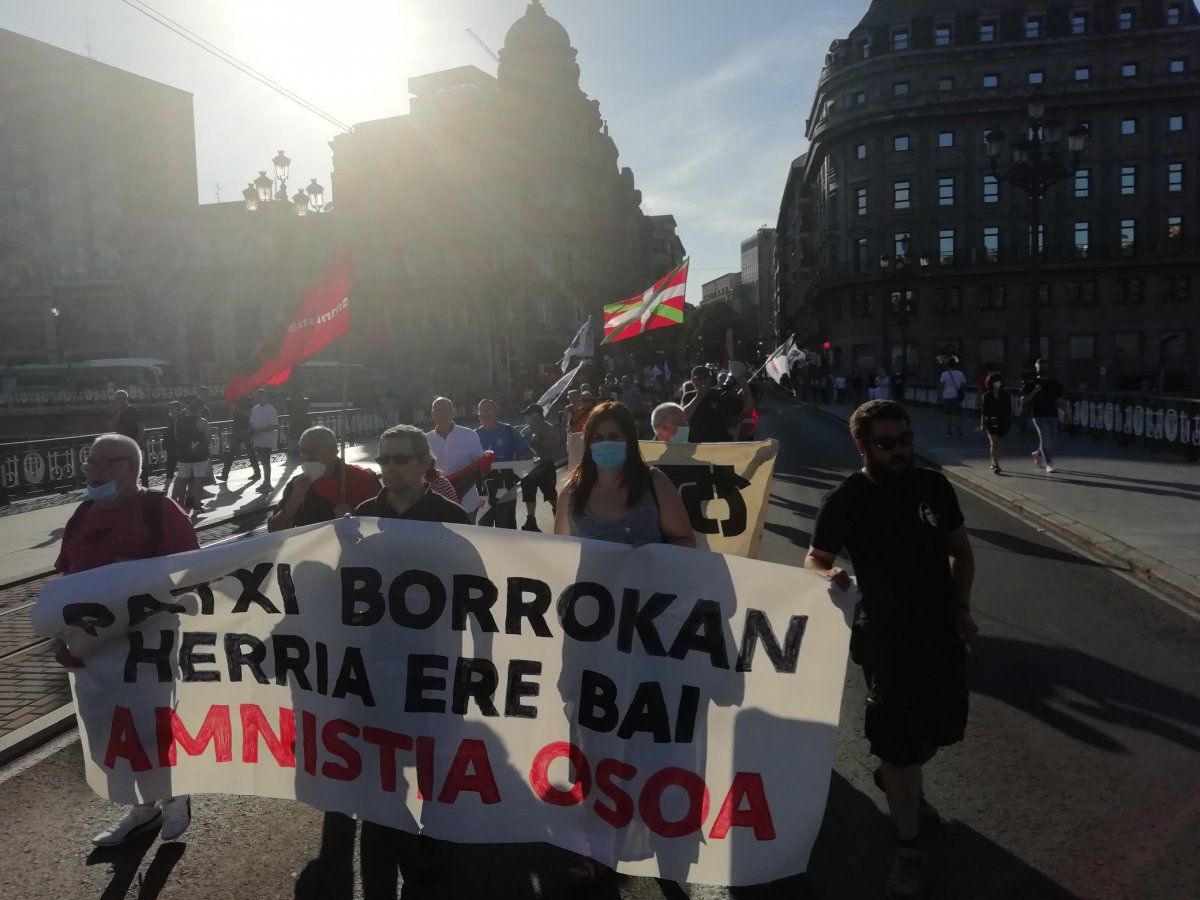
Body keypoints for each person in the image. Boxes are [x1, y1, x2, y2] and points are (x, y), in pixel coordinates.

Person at [804, 400, 977, 900]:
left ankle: (894, 774)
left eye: (905, 440)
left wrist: (962, 606)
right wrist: (828, 574)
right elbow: (815, 558)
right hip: (884, 639)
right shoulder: (846, 500)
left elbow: (961, 551)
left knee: (940, 729)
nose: (900, 450)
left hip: (940, 633)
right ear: (863, 446)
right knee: (899, 742)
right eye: (886, 443)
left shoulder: (934, 487)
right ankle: (908, 847)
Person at [554, 402, 694, 884]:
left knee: (647, 734)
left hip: (647, 636)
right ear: (588, 442)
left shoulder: (654, 485)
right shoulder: (571, 493)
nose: (607, 444)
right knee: (592, 739)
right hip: (591, 636)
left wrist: (643, 562)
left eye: (616, 434)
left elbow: (683, 544)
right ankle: (593, 845)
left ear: (630, 441)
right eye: (599, 435)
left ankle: (660, 836)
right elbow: (560, 560)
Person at [53, 434, 199, 846]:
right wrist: (62, 633)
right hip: (94, 646)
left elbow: (190, 575)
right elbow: (67, 576)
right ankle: (141, 807)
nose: (92, 470)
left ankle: (173, 796)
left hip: (147, 645)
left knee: (152, 722)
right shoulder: (84, 513)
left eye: (102, 462)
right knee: (111, 728)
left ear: (129, 467)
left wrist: (134, 576)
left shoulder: (159, 510)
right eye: (89, 462)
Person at [268, 426, 380, 531]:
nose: (308, 456)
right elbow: (274, 531)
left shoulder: (362, 479)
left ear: (334, 452)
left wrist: (355, 518)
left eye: (314, 450)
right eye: (303, 451)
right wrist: (294, 500)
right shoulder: (297, 484)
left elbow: (383, 525)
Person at [356, 425, 471, 524]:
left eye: (400, 459)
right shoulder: (364, 514)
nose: (390, 467)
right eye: (384, 459)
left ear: (424, 463)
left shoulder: (452, 516)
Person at [475, 398, 533, 529]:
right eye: (481, 411)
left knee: (507, 533)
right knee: (484, 534)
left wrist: (516, 466)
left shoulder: (508, 431)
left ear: (496, 412)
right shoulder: (473, 436)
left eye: (488, 410)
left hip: (506, 492)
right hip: (482, 494)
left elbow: (527, 453)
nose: (484, 414)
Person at [426, 397, 486, 521]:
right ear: (432, 414)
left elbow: (481, 467)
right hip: (437, 504)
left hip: (467, 503)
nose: (441, 414)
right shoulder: (425, 440)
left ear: (453, 412)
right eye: (437, 411)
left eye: (445, 410)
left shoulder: (469, 435)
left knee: (468, 537)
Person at [519, 403, 562, 532]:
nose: (527, 417)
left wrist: (539, 440)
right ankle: (531, 521)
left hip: (545, 467)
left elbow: (556, 444)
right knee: (529, 496)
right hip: (529, 468)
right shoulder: (526, 430)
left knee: (550, 494)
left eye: (529, 414)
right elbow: (521, 447)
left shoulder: (548, 428)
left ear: (537, 415)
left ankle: (560, 517)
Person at [1020, 358, 1065, 474]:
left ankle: (1037, 454)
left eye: (1045, 368)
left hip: (1053, 414)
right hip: (1038, 415)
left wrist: (1066, 411)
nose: (1043, 370)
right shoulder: (1031, 384)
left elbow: (1059, 399)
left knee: (1052, 439)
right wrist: (1035, 391)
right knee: (1044, 438)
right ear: (1036, 369)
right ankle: (1049, 463)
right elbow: (1023, 400)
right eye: (1040, 369)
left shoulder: (1054, 383)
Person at [681, 366, 742, 443]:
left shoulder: (720, 394)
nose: (702, 381)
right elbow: (683, 416)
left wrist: (743, 387)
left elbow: (743, 409)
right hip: (696, 443)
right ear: (693, 380)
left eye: (704, 378)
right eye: (698, 379)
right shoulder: (688, 396)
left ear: (710, 379)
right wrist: (698, 397)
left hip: (718, 443)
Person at [171, 397, 211, 514]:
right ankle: (197, 505)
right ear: (199, 410)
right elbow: (208, 439)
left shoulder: (178, 421)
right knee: (199, 480)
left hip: (183, 455)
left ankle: (180, 504)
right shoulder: (202, 422)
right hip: (199, 456)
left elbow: (176, 437)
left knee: (183, 479)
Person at [109, 390, 148, 488]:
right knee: (125, 469)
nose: (118, 402)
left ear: (126, 399)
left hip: (137, 445)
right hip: (123, 446)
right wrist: (119, 412)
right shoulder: (118, 414)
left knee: (141, 468)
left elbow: (141, 429)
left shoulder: (136, 412)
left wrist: (135, 443)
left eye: (120, 399)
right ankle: (128, 487)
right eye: (117, 400)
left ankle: (145, 488)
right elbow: (111, 426)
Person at [220, 396, 262, 483]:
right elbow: (230, 417)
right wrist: (232, 409)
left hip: (245, 430)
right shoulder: (235, 402)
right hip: (236, 430)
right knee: (230, 453)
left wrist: (238, 409)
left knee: (250, 452)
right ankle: (224, 475)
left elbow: (250, 415)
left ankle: (257, 473)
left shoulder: (248, 400)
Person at [979, 373, 1012, 474]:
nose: (997, 383)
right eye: (995, 381)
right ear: (991, 382)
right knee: (994, 443)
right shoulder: (986, 396)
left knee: (998, 444)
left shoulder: (1005, 395)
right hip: (991, 421)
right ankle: (996, 465)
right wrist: (982, 424)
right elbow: (984, 412)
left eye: (999, 380)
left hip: (1003, 420)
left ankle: (993, 461)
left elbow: (1009, 409)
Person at [248, 388, 279, 493]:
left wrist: (260, 430)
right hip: (257, 440)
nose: (260, 398)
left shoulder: (271, 409)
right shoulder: (255, 409)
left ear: (266, 396)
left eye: (262, 396)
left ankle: (267, 483)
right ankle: (265, 482)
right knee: (262, 461)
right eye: (258, 396)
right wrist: (251, 430)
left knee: (266, 462)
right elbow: (251, 423)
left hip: (266, 440)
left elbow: (274, 425)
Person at [939, 357, 968, 437]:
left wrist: (940, 397)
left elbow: (941, 386)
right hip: (957, 396)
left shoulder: (944, 374)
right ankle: (958, 426)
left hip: (947, 396)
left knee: (947, 414)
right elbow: (964, 385)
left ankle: (949, 431)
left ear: (948, 365)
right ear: (956, 365)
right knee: (958, 413)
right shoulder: (960, 373)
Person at [162, 400, 181, 487]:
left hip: (180, 447)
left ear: (178, 409)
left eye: (173, 409)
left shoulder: (182, 420)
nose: (171, 411)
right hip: (171, 447)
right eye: (170, 409)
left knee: (184, 468)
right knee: (170, 467)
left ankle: (183, 487)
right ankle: (166, 488)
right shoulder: (169, 420)